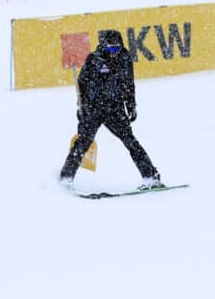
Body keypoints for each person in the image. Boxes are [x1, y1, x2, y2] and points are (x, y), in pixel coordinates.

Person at [59, 29, 163, 189]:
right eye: (110, 49)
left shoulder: (125, 59)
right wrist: (82, 107)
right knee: (82, 143)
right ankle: (66, 178)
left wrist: (131, 106)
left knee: (131, 142)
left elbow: (129, 84)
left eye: (117, 48)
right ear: (104, 46)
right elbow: (82, 84)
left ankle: (151, 176)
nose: (114, 52)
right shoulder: (94, 60)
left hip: (115, 109)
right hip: (94, 109)